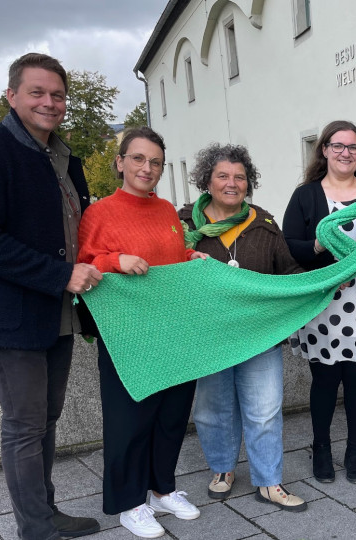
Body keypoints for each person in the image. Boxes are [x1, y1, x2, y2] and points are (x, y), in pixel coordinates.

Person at [0, 53, 102, 540]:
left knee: (46, 418)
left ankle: (47, 512)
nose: (49, 102)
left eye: (57, 95)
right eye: (37, 92)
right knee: (24, 423)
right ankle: (35, 527)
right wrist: (59, 275)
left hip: (56, 311)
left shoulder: (65, 157)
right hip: (9, 315)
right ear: (11, 95)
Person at [77, 127, 208, 538]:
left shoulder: (168, 210)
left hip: (174, 329)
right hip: (127, 335)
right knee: (129, 419)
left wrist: (192, 255)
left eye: (154, 162)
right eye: (137, 158)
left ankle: (161, 488)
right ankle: (129, 502)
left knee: (171, 416)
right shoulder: (98, 214)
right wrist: (116, 259)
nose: (146, 168)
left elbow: (169, 256)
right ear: (120, 162)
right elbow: (85, 264)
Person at [178, 143, 307, 512]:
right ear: (207, 180)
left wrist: (320, 282)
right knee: (211, 409)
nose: (231, 183)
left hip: (259, 334)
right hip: (209, 337)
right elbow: (167, 268)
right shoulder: (185, 224)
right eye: (223, 175)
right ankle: (222, 470)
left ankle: (269, 481)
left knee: (264, 409)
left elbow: (288, 270)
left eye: (239, 177)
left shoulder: (263, 222)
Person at [283, 120, 356, 484]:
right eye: (338, 146)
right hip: (323, 305)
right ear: (325, 150)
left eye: (353, 147)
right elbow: (290, 246)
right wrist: (318, 247)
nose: (346, 153)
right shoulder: (307, 195)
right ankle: (322, 447)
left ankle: (355, 450)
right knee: (325, 381)